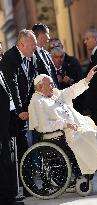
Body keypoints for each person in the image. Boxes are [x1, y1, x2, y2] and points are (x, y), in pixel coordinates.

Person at [28, 67, 97, 189]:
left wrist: (86, 80)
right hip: (59, 136)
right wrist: (64, 124)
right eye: (50, 84)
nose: (53, 85)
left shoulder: (55, 94)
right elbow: (43, 126)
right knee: (92, 136)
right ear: (41, 87)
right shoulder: (36, 101)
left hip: (74, 130)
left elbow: (72, 91)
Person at [0, 29, 37, 197]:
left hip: (24, 111)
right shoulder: (10, 58)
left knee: (24, 148)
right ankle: (16, 189)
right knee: (15, 151)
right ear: (21, 44)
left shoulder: (31, 57)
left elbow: (31, 83)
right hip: (12, 114)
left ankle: (28, 187)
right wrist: (21, 109)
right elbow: (13, 86)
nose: (35, 47)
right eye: (32, 44)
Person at [0, 46, 24, 204]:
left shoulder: (1, 71)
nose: (1, 53)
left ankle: (9, 195)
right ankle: (5, 198)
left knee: (7, 159)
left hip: (6, 122)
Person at [49, 38, 83, 113]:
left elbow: (82, 83)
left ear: (62, 47)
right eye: (53, 48)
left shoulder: (73, 62)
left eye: (58, 46)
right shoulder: (47, 66)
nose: (56, 49)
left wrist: (70, 81)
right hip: (56, 107)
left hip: (74, 105)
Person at [32, 23, 59, 88]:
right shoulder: (31, 55)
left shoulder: (47, 54)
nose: (49, 37)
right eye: (48, 34)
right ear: (41, 35)